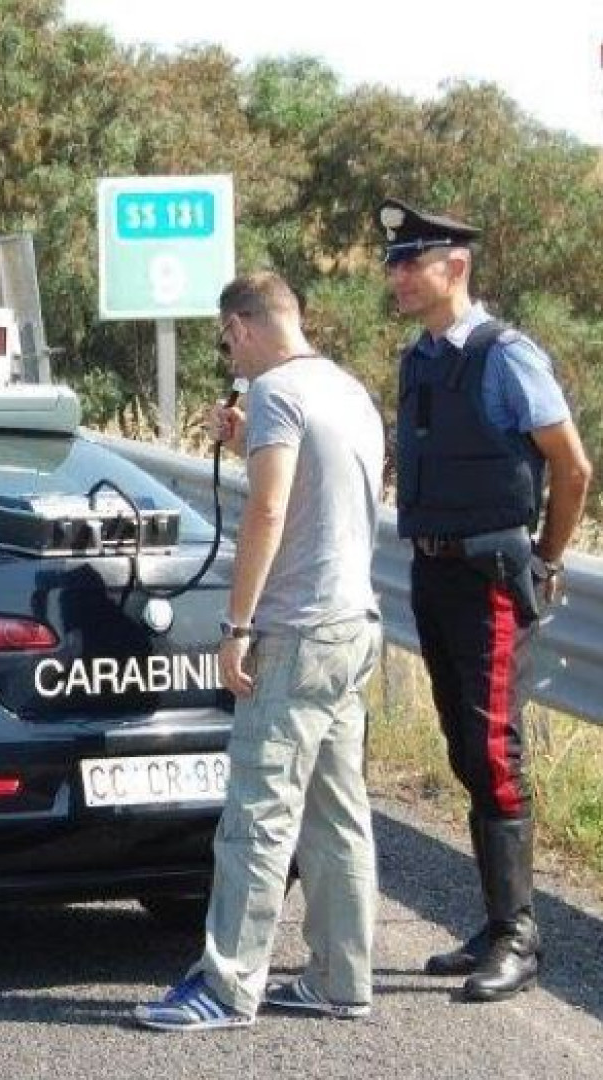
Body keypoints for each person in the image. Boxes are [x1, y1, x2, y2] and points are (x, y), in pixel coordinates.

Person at [132, 272, 385, 1031]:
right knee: (336, 812)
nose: (227, 353)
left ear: (241, 326)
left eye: (225, 338)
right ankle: (342, 979)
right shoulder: (346, 389)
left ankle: (228, 983)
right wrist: (247, 444)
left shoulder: (276, 392)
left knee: (258, 813)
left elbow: (269, 510)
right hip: (353, 623)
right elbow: (320, 490)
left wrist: (237, 624)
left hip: (297, 628)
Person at [379, 199, 592, 1002]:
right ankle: (495, 921)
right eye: (393, 264)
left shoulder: (508, 357)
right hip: (432, 571)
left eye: (410, 262)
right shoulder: (421, 357)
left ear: (455, 266)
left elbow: (572, 469)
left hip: (490, 576)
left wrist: (546, 560)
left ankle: (519, 937)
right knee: (467, 752)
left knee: (496, 755)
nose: (397, 276)